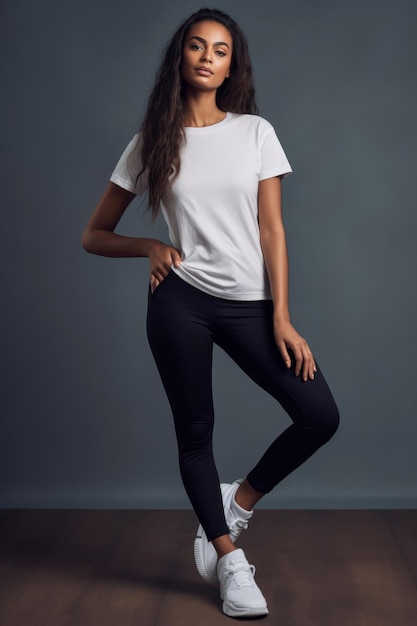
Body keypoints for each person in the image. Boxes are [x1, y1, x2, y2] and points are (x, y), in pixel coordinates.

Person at [82, 7, 340, 619]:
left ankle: (236, 504)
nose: (206, 57)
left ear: (231, 65)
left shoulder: (255, 132)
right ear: (181, 57)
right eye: (196, 46)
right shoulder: (153, 141)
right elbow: (94, 233)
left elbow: (272, 231)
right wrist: (149, 245)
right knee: (196, 431)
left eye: (220, 50)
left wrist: (282, 315)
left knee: (318, 415)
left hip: (251, 305)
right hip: (181, 303)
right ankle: (230, 562)